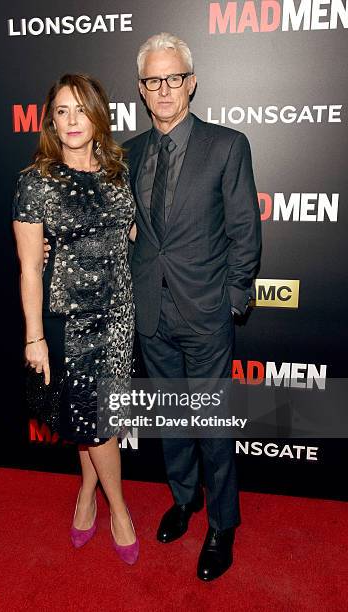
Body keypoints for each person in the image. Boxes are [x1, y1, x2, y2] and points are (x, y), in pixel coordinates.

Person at [123, 33, 261, 581]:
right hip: (150, 310)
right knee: (170, 418)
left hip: (205, 312)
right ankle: (185, 500)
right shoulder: (129, 153)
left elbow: (245, 228)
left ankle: (223, 523)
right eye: (153, 80)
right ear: (141, 88)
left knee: (211, 422)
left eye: (173, 77)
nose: (163, 89)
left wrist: (231, 298)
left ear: (191, 82)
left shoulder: (227, 146)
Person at [12, 73, 139, 565]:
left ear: (98, 115)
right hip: (71, 320)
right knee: (97, 420)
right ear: (50, 119)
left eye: (80, 110)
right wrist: (35, 337)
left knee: (93, 419)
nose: (71, 121)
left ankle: (86, 495)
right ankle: (120, 510)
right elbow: (29, 267)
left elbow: (128, 234)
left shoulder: (117, 171)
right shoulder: (34, 182)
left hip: (120, 314)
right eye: (61, 111)